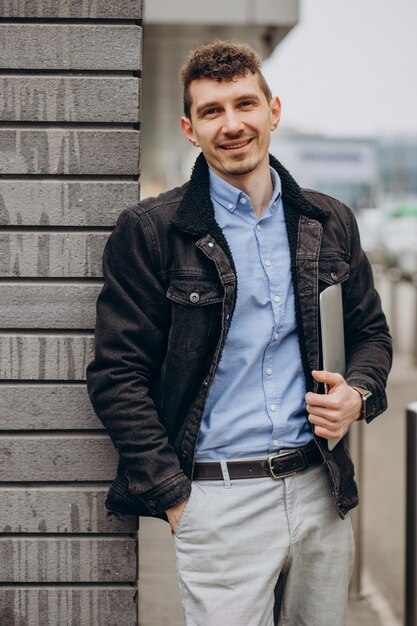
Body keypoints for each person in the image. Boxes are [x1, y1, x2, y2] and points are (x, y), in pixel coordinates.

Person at [86, 40, 392, 626]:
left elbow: (371, 334)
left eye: (245, 104)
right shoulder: (152, 232)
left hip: (318, 489)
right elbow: (116, 375)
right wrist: (175, 497)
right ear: (188, 128)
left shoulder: (329, 221)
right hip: (216, 500)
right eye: (212, 111)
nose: (232, 124)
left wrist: (358, 393)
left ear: (273, 112)